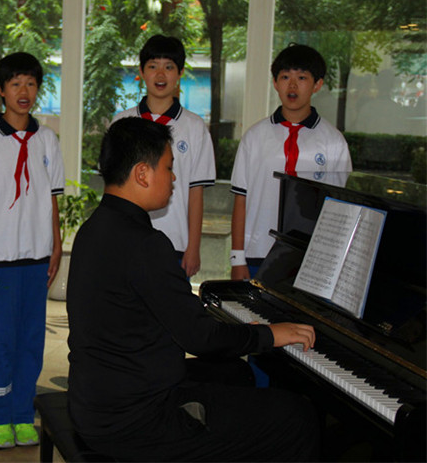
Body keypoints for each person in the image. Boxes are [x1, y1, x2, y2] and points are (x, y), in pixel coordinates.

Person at [67, 117, 320, 462]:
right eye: (169, 167)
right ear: (142, 174)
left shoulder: (94, 229)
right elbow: (200, 338)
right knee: (297, 416)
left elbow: (167, 318)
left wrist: (243, 333)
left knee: (235, 372)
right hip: (136, 420)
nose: (174, 178)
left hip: (97, 399)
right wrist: (269, 334)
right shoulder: (145, 244)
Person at [0, 52, 65, 449]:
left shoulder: (47, 140)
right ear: (0, 91)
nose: (24, 91)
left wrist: (56, 244)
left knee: (31, 341)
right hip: (0, 258)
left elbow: (53, 198)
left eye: (31, 83)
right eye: (15, 84)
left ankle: (23, 414)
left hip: (37, 258)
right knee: (2, 341)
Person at [230, 44, 353, 279]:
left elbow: (340, 209)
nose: (293, 85)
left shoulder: (334, 142)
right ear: (275, 83)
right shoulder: (254, 137)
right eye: (285, 77)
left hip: (312, 260)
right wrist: (237, 258)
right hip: (258, 253)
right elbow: (240, 199)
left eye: (302, 77)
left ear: (317, 84)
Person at [112, 34, 215, 280]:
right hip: (126, 244)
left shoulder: (195, 127)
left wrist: (193, 247)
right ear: (141, 72)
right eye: (153, 66)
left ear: (180, 73)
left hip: (175, 245)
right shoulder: (122, 123)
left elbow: (196, 192)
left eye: (168, 67)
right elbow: (113, 192)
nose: (160, 75)